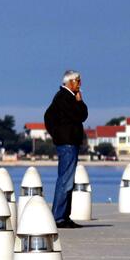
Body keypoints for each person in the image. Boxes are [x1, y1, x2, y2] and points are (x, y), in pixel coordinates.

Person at [44, 69, 89, 228]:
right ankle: (59, 217)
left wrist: (56, 134)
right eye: (78, 80)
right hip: (68, 143)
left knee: (67, 180)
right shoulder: (64, 97)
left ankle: (64, 216)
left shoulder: (65, 97)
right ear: (70, 82)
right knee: (66, 181)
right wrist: (58, 134)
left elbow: (49, 117)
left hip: (68, 143)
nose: (80, 83)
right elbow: (80, 115)